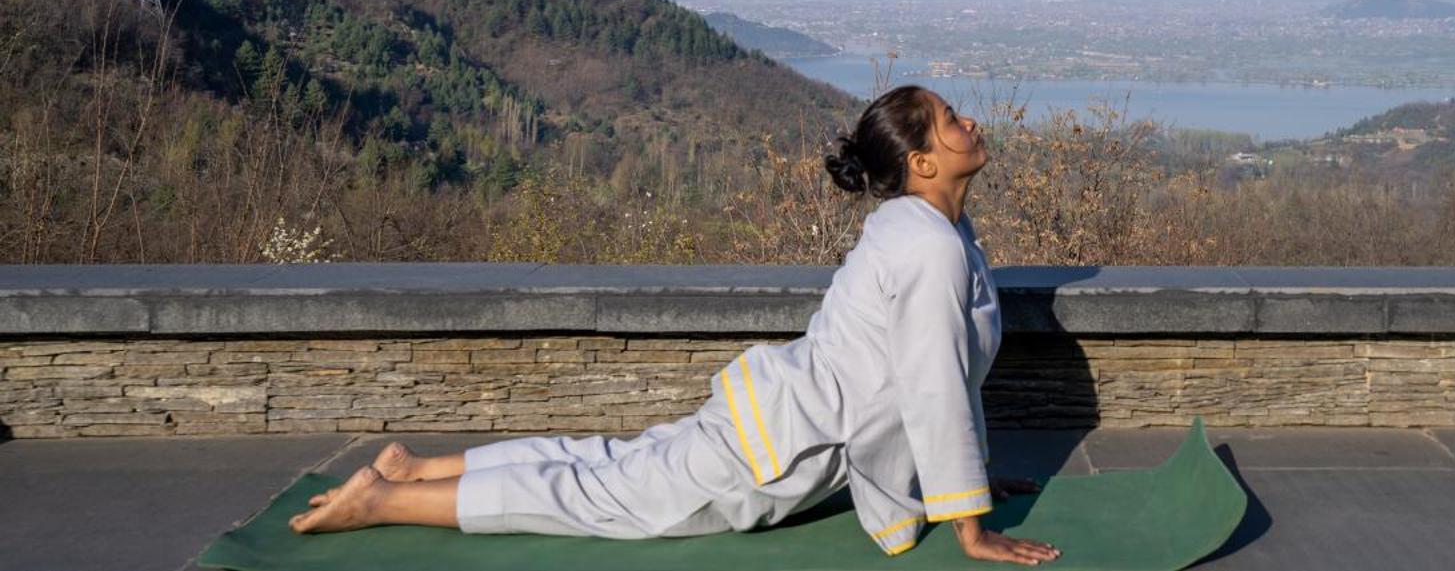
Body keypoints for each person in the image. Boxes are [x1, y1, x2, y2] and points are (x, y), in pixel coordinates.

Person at [287, 85, 1062, 565]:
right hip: (771, 450)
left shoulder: (928, 231)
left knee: (598, 463)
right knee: (593, 497)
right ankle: (383, 499)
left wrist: (961, 479)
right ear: (922, 163)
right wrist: (968, 523)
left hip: (770, 418)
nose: (969, 120)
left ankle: (415, 468)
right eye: (948, 119)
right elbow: (930, 388)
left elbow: (939, 375)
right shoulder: (930, 245)